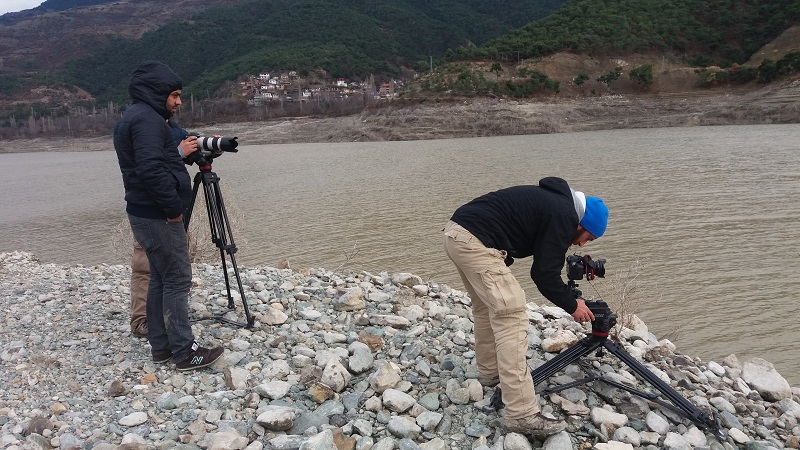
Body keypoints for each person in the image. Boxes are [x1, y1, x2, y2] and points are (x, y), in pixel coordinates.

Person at [442, 177, 608, 437]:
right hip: (475, 241)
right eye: (588, 237)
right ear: (582, 224)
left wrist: (569, 298)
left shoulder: (555, 204)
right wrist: (572, 304)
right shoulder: (564, 214)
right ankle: (521, 413)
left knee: (487, 308)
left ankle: (490, 373)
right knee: (512, 313)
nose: (582, 245)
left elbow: (543, 263)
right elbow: (543, 274)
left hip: (457, 234)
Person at [114, 60, 223, 371]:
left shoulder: (140, 116)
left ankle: (161, 348)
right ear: (156, 92)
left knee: (160, 278)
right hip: (157, 214)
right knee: (177, 278)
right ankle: (185, 352)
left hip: (144, 212)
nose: (178, 102)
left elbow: (156, 158)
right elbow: (150, 170)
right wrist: (174, 210)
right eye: (175, 95)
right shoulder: (147, 120)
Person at [129, 122, 207, 338]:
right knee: (146, 265)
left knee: (167, 270)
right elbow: (144, 167)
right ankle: (141, 321)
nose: (177, 103)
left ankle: (163, 319)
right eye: (173, 96)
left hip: (173, 208)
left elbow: (188, 143)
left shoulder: (170, 127)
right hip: (151, 209)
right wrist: (178, 152)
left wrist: (206, 146)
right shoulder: (139, 126)